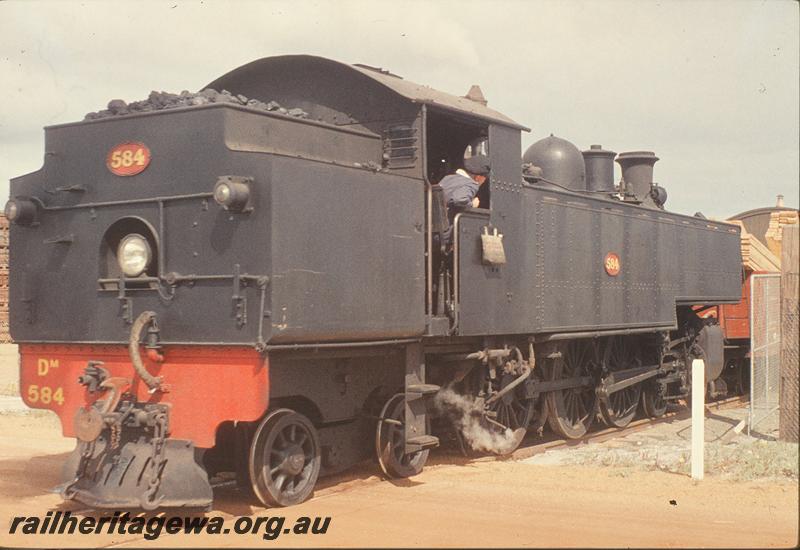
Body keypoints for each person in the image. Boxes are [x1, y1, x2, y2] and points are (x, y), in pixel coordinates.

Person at [437, 154, 491, 247]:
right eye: (484, 179)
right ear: (479, 177)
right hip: (447, 234)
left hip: (434, 231)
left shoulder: (448, 178)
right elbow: (459, 199)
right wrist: (472, 205)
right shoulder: (471, 184)